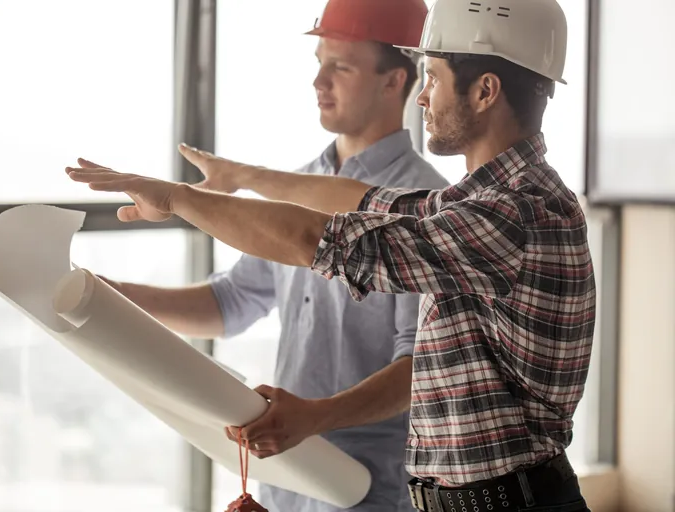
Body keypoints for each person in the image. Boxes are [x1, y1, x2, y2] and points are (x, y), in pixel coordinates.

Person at [66, 0, 596, 510]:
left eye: (432, 78)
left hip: (469, 498)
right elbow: (360, 200)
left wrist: (179, 199)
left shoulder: (512, 215)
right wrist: (242, 178)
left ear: (484, 91)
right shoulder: (475, 203)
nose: (423, 96)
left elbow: (314, 238)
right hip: (450, 497)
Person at [85, 1, 448, 511]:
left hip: (367, 489)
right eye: (319, 62)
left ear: (394, 81)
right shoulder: (293, 189)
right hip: (286, 481)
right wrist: (112, 297)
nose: (318, 81)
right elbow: (232, 301)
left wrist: (315, 417)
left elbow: (421, 367)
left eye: (341, 67)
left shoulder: (426, 207)